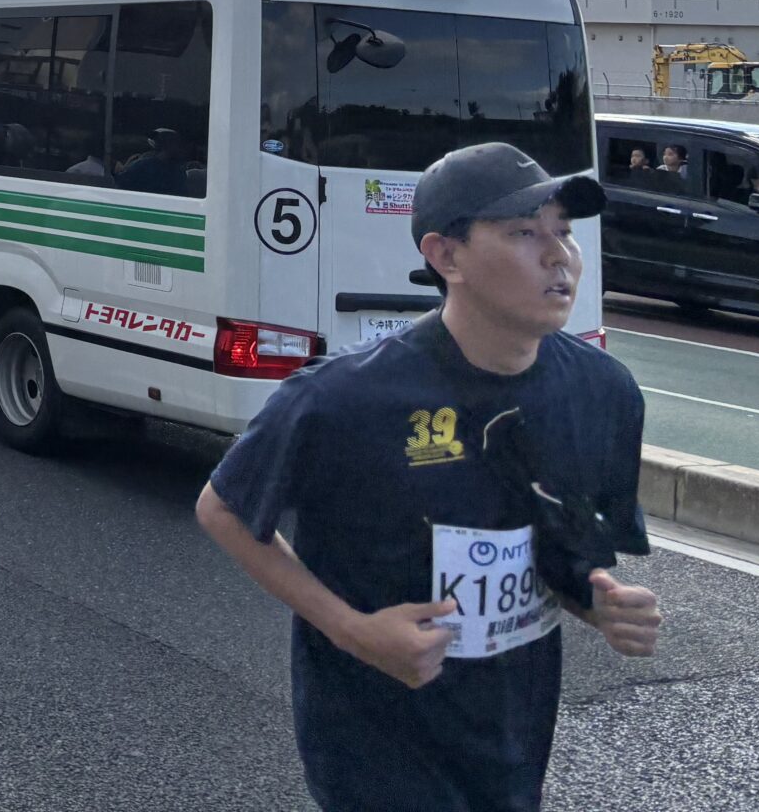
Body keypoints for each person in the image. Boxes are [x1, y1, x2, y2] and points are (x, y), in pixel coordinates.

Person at [196, 142, 659, 812]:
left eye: (563, 232)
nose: (559, 256)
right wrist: (353, 630)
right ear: (447, 257)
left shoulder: (602, 391)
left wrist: (600, 604)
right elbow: (223, 508)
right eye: (524, 233)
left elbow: (558, 547)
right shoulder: (344, 397)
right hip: (375, 736)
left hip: (511, 732)